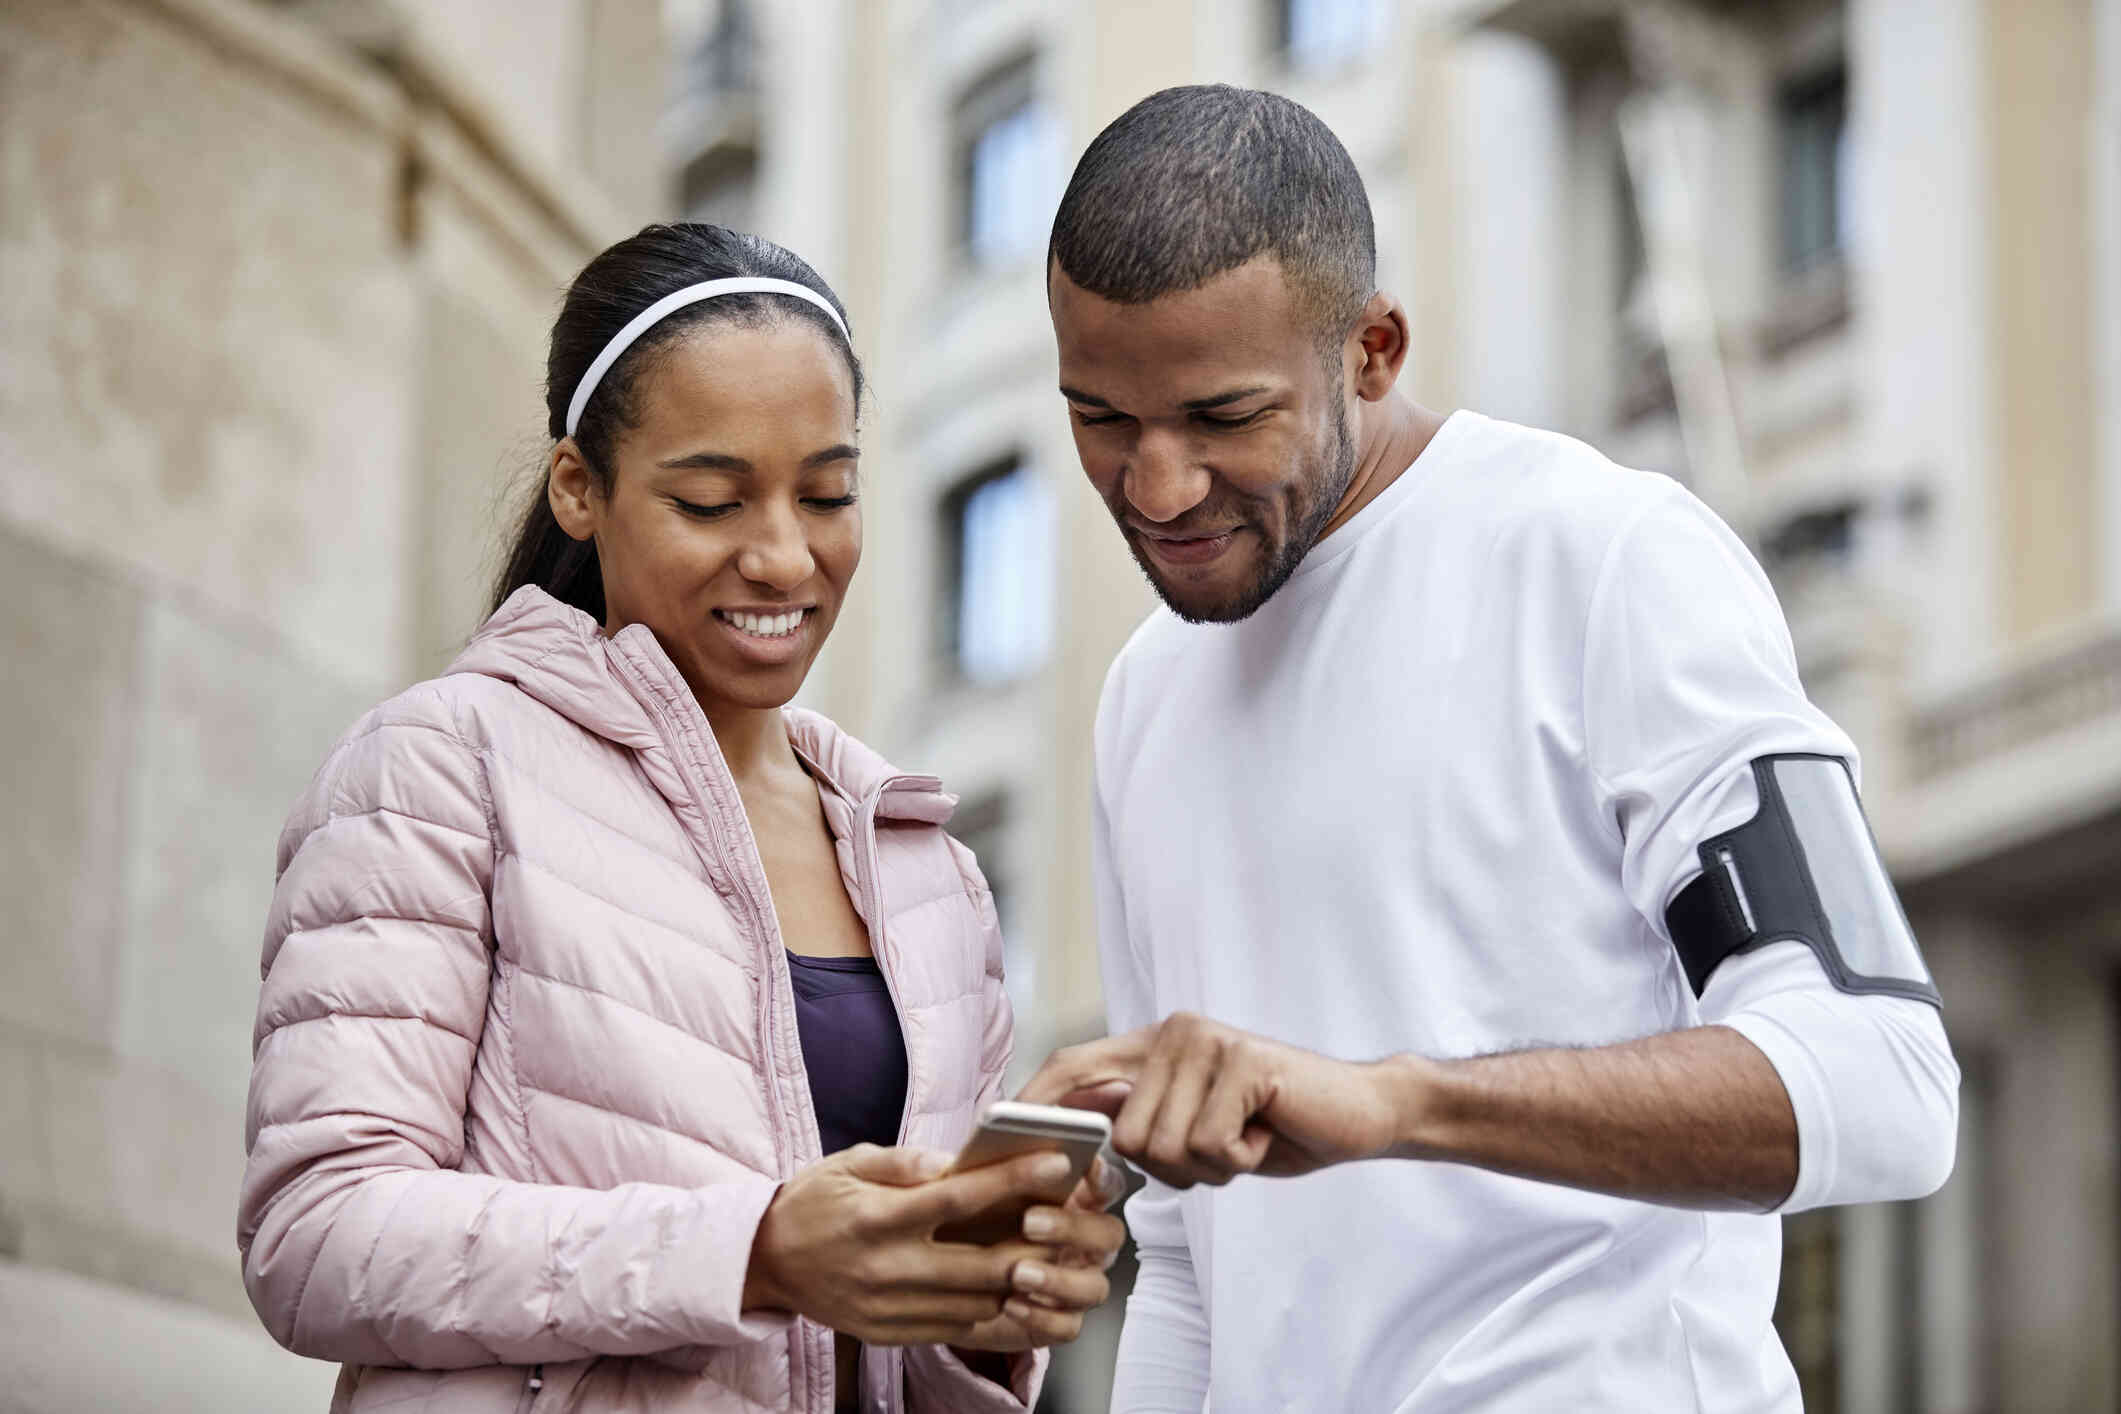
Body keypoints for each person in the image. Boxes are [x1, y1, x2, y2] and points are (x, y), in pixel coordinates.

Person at [1020, 86, 1960, 1412]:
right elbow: (1179, 1259)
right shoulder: (1142, 693)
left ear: (1373, 348)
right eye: (1101, 419)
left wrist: (1401, 1100)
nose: (1157, 487)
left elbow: (1886, 1080)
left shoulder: (1604, 556)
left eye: (1223, 417)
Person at [237, 223, 1123, 1414]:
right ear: (579, 488)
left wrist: (986, 1296)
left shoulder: (929, 868)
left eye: (828, 494)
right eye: (711, 499)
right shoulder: (442, 767)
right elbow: (318, 1233)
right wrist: (751, 1250)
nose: (782, 556)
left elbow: (884, 1350)